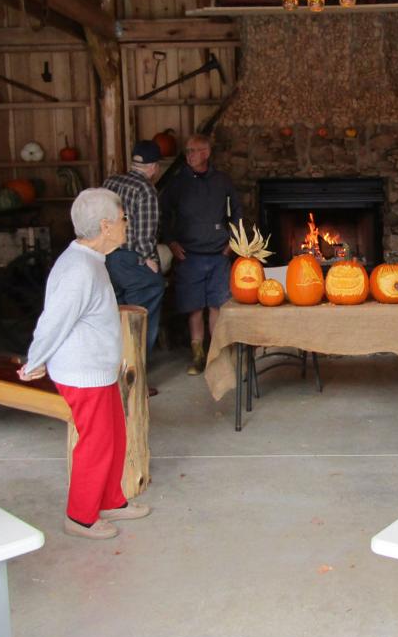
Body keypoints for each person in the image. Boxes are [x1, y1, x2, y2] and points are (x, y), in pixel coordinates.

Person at [19, 188, 150, 540]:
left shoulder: (92, 261)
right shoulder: (78, 268)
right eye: (123, 219)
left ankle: (109, 500)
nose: (126, 225)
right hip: (82, 373)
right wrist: (35, 360)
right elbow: (54, 320)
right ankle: (80, 516)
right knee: (95, 442)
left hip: (99, 370)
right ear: (106, 226)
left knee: (114, 436)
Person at [160, 133, 243, 375]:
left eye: (193, 151)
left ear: (206, 153)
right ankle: (197, 356)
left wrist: (233, 244)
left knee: (217, 306)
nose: (189, 155)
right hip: (190, 256)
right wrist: (171, 242)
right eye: (187, 151)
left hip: (219, 255)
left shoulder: (222, 181)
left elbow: (237, 212)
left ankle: (216, 355)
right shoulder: (177, 183)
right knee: (194, 307)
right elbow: (164, 215)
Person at [103, 139, 165, 390]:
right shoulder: (146, 190)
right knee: (143, 309)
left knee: (114, 315)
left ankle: (112, 374)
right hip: (128, 260)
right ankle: (135, 377)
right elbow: (145, 235)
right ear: (154, 167)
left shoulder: (111, 182)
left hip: (105, 258)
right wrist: (149, 260)